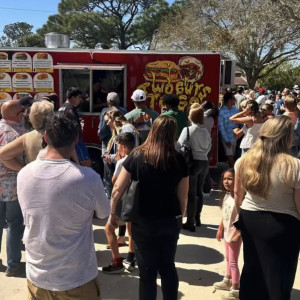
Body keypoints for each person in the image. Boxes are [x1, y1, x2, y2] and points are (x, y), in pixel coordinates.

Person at [17, 111, 110, 300]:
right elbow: (103, 214)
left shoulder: (24, 174)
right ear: (76, 138)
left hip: (37, 277)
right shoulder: (89, 178)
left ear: (45, 136)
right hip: (77, 278)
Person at [109, 115, 189, 300]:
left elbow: (118, 187)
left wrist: (113, 212)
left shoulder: (137, 155)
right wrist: (180, 218)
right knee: (168, 267)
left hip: (142, 222)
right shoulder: (178, 159)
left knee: (147, 273)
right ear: (172, 134)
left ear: (153, 130)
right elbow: (183, 195)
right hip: (169, 221)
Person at [234, 115, 300, 300]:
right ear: (285, 137)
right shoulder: (295, 166)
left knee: (253, 270)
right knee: (278, 277)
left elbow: (238, 196)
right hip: (283, 224)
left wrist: (240, 219)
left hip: (250, 218)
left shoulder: (244, 161)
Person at [103, 132, 136, 274]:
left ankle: (117, 262)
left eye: (117, 145)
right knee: (131, 228)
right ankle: (131, 257)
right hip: (133, 199)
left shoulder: (123, 162)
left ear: (123, 146)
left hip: (121, 200)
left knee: (109, 229)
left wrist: (112, 211)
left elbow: (115, 182)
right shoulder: (138, 158)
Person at [0, 100, 27, 277]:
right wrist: (23, 169)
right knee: (14, 225)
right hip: (13, 188)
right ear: (17, 115)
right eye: (22, 112)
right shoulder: (20, 134)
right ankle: (13, 265)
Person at [178, 103, 211, 231]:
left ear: (191, 116)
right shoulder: (205, 131)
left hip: (192, 162)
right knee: (199, 191)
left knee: (191, 193)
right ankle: (197, 217)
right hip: (204, 161)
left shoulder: (188, 130)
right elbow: (209, 147)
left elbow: (180, 146)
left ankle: (190, 222)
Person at [213, 168, 242, 300]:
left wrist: (238, 234)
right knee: (228, 258)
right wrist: (220, 229)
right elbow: (225, 215)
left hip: (234, 235)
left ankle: (236, 288)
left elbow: (242, 218)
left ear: (237, 180)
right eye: (224, 179)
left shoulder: (239, 198)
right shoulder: (226, 195)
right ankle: (227, 280)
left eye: (230, 178)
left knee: (233, 262)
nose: (226, 181)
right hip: (226, 233)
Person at [0, 101, 54, 166]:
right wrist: (23, 169)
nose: (24, 114)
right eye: (22, 110)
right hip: (17, 174)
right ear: (16, 114)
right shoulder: (18, 134)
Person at [59, 87, 92, 166]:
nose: (81, 100)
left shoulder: (61, 107)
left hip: (65, 142)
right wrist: (81, 126)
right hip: (75, 141)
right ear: (73, 97)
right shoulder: (71, 108)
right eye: (79, 97)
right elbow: (73, 125)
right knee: (87, 163)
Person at [218, 92, 239, 167]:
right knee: (229, 155)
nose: (235, 100)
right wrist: (226, 140)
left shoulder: (235, 110)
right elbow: (221, 127)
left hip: (235, 136)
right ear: (229, 100)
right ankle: (233, 171)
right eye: (234, 99)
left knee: (232, 155)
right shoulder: (221, 111)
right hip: (227, 138)